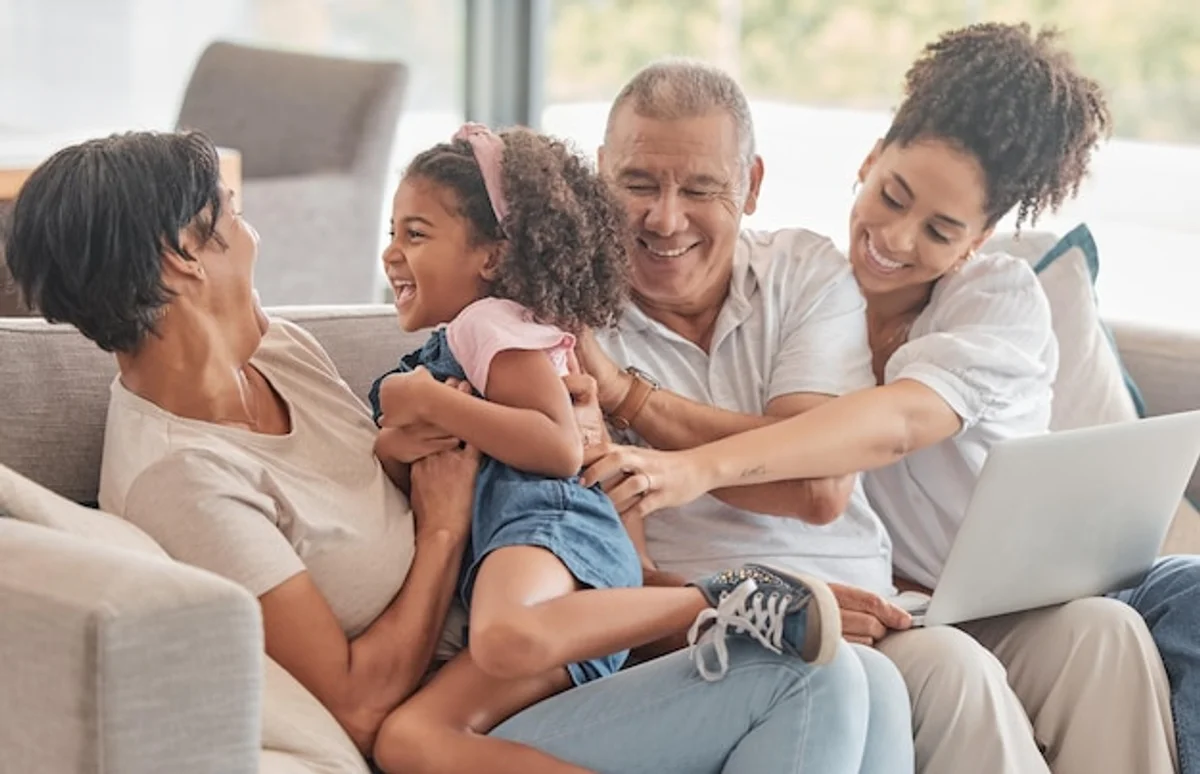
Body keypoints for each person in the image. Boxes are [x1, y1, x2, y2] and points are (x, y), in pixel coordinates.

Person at [4, 128, 900, 774]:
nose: (255, 234)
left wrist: (572, 441)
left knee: (867, 677)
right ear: (179, 260)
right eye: (228, 215)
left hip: (532, 648)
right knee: (816, 689)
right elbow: (356, 704)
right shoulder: (181, 475)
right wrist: (436, 536)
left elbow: (460, 467)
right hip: (462, 709)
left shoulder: (277, 349)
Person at [582, 25, 1181, 774]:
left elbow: (864, 446)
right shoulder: (595, 313)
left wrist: (661, 430)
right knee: (960, 670)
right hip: (886, 608)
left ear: (978, 238)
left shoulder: (958, 297)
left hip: (983, 601)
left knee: (1107, 634)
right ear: (867, 165)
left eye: (938, 228)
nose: (893, 238)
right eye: (892, 197)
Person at [364, 122, 844, 772]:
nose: (393, 253)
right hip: (557, 573)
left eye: (415, 234)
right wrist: (398, 437)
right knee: (411, 740)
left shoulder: (491, 324)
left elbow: (558, 448)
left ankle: (722, 596)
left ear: (492, 257)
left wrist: (427, 399)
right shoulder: (479, 337)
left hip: (548, 532)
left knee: (502, 638)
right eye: (393, 233)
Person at [567, 57, 915, 772]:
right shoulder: (568, 319)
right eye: (637, 184)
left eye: (700, 188)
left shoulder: (805, 273)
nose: (665, 219)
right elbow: (609, 583)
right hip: (707, 631)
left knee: (958, 672)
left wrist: (631, 398)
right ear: (600, 175)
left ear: (751, 186)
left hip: (873, 611)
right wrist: (767, 611)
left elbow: (817, 485)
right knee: (838, 676)